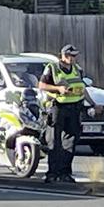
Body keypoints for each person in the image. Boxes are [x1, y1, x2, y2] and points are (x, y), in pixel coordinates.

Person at [37, 44, 86, 184]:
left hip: (74, 107)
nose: (73, 59)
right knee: (54, 141)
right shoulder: (52, 68)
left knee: (70, 141)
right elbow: (41, 85)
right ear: (63, 56)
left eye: (75, 56)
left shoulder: (77, 69)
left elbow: (83, 88)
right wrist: (58, 88)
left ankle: (65, 172)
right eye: (70, 56)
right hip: (57, 107)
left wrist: (93, 103)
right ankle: (52, 173)